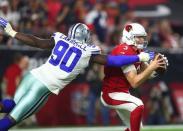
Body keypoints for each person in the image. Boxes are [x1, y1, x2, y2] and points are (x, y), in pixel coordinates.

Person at [0, 17, 154, 130]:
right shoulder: (88, 51)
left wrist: (12, 32)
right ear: (86, 37)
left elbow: (37, 42)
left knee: (11, 105)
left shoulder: (60, 38)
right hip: (43, 86)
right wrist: (139, 57)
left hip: (32, 76)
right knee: (12, 120)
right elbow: (114, 61)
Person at [100, 23, 169, 131]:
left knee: (135, 128)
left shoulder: (137, 51)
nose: (142, 40)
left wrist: (156, 69)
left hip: (122, 93)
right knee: (138, 105)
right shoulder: (124, 51)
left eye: (143, 37)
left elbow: (146, 72)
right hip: (111, 94)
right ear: (130, 37)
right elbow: (135, 82)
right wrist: (152, 67)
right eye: (139, 37)